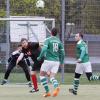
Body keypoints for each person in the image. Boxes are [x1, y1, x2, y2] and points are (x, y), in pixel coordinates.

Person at [37, 28, 65, 97]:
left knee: (41, 75)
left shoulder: (48, 40)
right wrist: (61, 62)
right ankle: (56, 87)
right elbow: (63, 53)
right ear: (57, 33)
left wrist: (40, 57)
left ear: (51, 33)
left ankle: (47, 92)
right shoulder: (59, 41)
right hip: (56, 61)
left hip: (48, 60)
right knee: (52, 77)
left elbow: (44, 49)